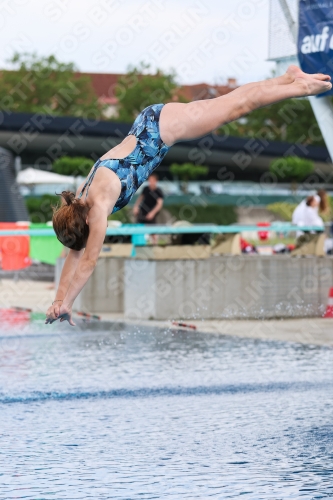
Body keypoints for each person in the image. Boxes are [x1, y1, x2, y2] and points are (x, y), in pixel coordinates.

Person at [46, 65, 332, 326]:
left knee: (235, 106)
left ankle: (301, 87)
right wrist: (58, 301)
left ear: (84, 224)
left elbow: (88, 261)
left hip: (161, 128)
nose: (80, 245)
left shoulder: (98, 208)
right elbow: (75, 253)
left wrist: (69, 303)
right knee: (230, 104)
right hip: (150, 121)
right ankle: (288, 78)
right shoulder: (80, 199)